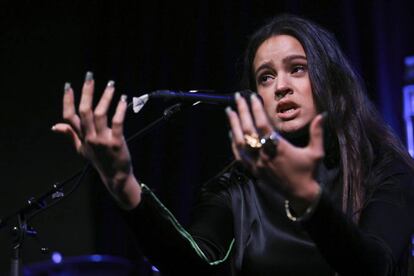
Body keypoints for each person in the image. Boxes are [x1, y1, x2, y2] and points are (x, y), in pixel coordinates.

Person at [52, 14, 414, 275]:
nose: (281, 86)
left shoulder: (384, 168)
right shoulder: (236, 186)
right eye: (266, 77)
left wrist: (307, 198)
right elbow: (193, 264)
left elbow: (375, 266)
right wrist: (123, 185)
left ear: (330, 80)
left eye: (298, 68)